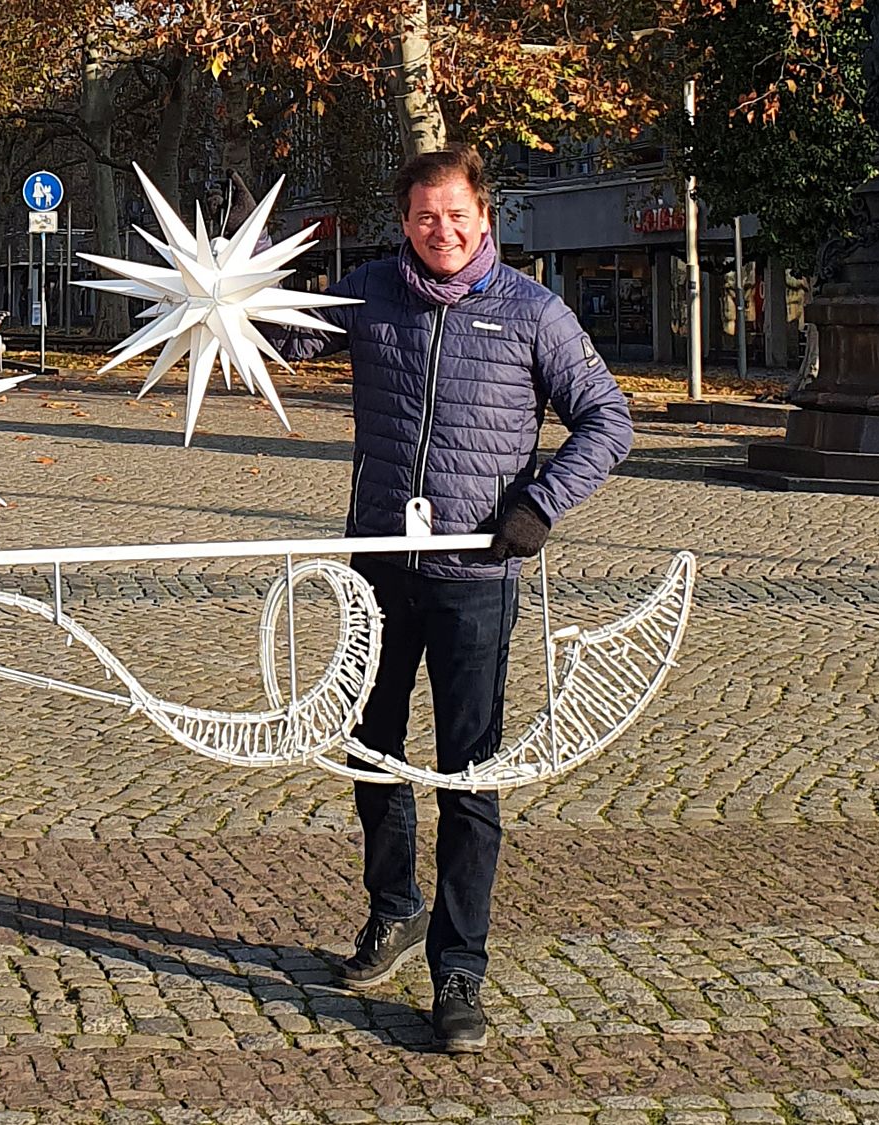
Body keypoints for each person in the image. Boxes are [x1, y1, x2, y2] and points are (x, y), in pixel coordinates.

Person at [256, 146, 632, 1052]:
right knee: (369, 750)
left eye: (456, 214)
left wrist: (539, 505)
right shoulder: (371, 291)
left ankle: (461, 968)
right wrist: (233, 283)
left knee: (470, 775)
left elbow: (609, 419)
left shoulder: (533, 311)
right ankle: (395, 908)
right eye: (425, 217)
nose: (442, 231)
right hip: (379, 568)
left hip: (476, 580)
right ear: (405, 223)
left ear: (484, 215)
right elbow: (279, 332)